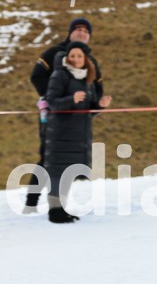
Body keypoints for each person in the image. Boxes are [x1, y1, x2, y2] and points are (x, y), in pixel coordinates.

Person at [26, 18, 104, 211]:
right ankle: (32, 201)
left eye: (86, 30)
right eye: (77, 29)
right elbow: (36, 75)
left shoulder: (88, 59)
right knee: (49, 156)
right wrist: (51, 100)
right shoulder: (54, 52)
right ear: (69, 32)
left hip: (79, 116)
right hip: (55, 115)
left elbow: (97, 84)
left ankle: (58, 204)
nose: (82, 32)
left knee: (68, 158)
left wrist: (92, 104)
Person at [44, 41, 112, 223]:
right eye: (72, 56)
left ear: (85, 59)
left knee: (68, 171)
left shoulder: (86, 79)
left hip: (78, 134)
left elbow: (88, 110)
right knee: (58, 170)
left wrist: (100, 105)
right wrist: (70, 99)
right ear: (67, 58)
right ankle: (55, 210)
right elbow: (51, 101)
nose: (76, 59)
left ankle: (61, 208)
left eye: (79, 56)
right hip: (61, 133)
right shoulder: (59, 74)